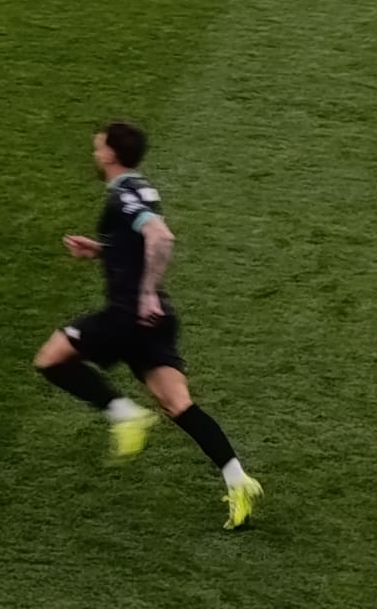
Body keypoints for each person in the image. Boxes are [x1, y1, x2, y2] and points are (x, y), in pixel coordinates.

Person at [33, 121, 263, 531]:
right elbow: (139, 241)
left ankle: (124, 415)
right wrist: (102, 251)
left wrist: (145, 293)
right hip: (157, 320)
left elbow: (160, 237)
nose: (93, 153)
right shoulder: (140, 187)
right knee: (179, 405)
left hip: (130, 314)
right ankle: (238, 480)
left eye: (96, 147)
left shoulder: (121, 194)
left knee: (51, 359)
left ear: (109, 155)